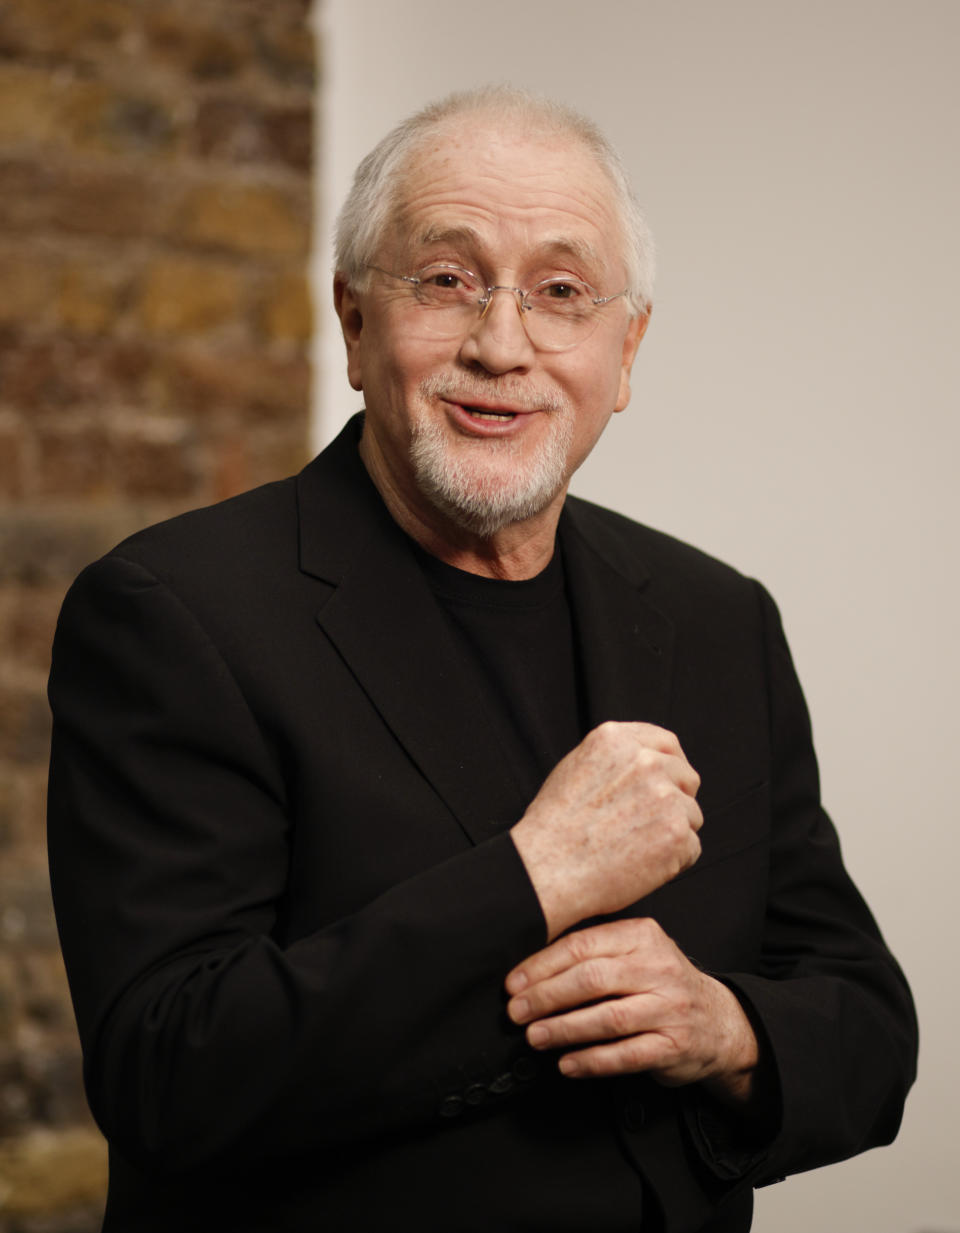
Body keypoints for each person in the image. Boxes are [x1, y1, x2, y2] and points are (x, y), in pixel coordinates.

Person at [47, 88, 916, 1232]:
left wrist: (729, 1031)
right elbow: (171, 1076)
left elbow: (865, 1027)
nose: (501, 345)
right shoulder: (175, 612)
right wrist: (534, 877)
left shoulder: (717, 619)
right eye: (448, 279)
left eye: (561, 293)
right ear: (355, 325)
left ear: (626, 350)